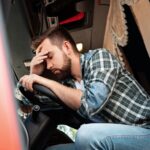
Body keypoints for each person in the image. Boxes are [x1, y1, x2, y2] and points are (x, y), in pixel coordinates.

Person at [20, 26, 150, 150]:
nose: (48, 66)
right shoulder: (67, 86)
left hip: (145, 132)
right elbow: (26, 100)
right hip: (114, 141)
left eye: (49, 57)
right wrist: (33, 76)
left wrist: (44, 80)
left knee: (86, 135)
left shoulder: (99, 57)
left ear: (66, 47)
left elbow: (91, 104)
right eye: (44, 62)